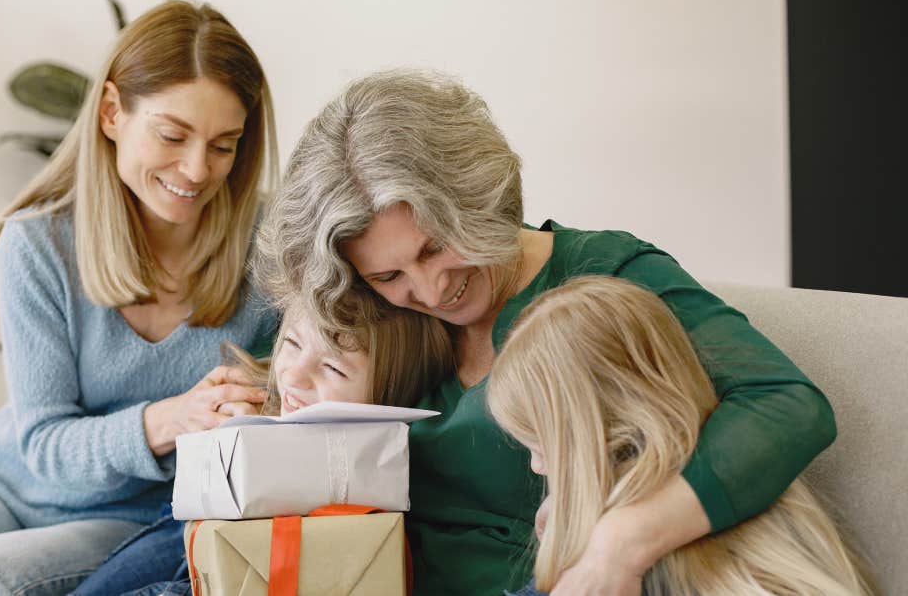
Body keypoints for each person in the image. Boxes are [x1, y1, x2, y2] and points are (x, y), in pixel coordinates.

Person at [257, 69, 838, 595]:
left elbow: (786, 405)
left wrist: (623, 544)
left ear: (474, 197)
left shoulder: (601, 280)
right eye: (389, 274)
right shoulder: (385, 312)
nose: (432, 292)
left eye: (436, 247)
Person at [0, 2, 280, 594]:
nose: (198, 169)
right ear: (110, 113)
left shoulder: (270, 250)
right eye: (172, 134)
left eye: (224, 145)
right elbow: (45, 444)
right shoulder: (37, 243)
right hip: (5, 481)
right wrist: (170, 419)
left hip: (139, 513)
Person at [487, 276, 876, 596]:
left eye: (539, 446)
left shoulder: (610, 572)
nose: (537, 466)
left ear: (601, 441)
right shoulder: (764, 505)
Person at [73, 299, 454, 595]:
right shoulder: (251, 409)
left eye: (334, 369)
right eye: (291, 343)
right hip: (183, 539)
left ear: (389, 396)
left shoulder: (390, 466)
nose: (294, 375)